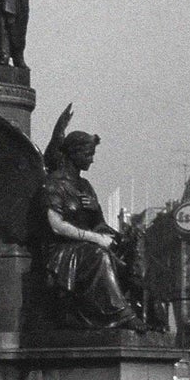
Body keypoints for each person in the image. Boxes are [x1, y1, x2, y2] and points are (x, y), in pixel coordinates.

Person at [43, 131, 146, 331]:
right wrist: (96, 238)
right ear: (73, 153)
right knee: (99, 255)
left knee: (130, 255)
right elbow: (56, 225)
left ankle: (139, 311)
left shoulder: (85, 186)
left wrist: (98, 213)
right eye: (88, 154)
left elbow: (99, 224)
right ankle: (121, 314)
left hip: (86, 246)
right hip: (63, 251)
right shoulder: (53, 184)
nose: (92, 160)